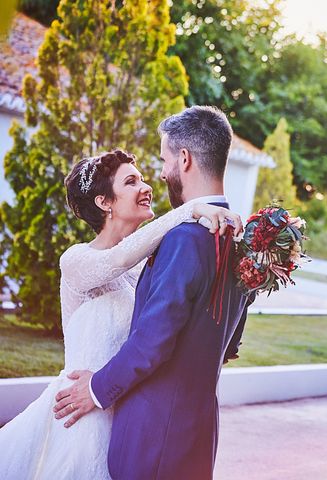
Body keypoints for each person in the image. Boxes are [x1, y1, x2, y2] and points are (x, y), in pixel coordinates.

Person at [53, 106, 252, 479]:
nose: (159, 175)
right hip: (195, 432)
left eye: (162, 161)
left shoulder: (184, 238)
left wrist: (97, 388)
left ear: (185, 159)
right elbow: (230, 343)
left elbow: (153, 341)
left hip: (152, 433)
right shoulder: (239, 239)